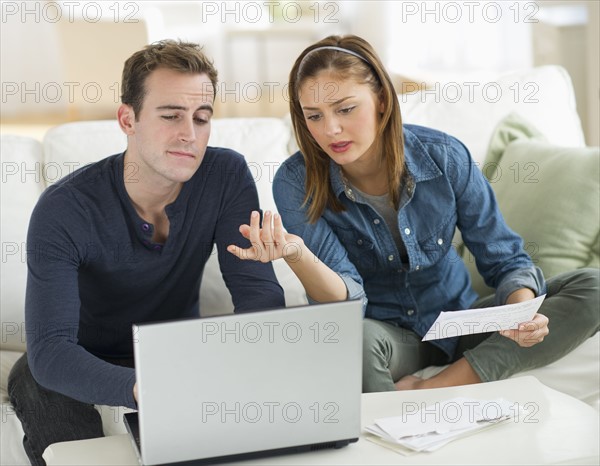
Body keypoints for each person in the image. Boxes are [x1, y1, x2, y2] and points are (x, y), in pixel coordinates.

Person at [228, 34, 599, 393]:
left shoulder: (445, 157)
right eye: (314, 116)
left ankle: (442, 385)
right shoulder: (296, 182)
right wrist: (298, 255)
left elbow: (504, 258)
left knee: (594, 285)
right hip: (386, 334)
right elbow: (345, 303)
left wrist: (520, 316)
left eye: (345, 109)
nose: (331, 129)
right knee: (348, 343)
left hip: (458, 320)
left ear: (382, 102)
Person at [8, 40, 285, 465]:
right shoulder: (65, 208)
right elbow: (51, 350)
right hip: (82, 354)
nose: (189, 135)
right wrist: (145, 385)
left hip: (177, 347)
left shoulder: (225, 175)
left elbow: (259, 298)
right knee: (36, 378)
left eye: (201, 118)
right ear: (127, 118)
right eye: (171, 115)